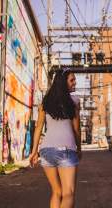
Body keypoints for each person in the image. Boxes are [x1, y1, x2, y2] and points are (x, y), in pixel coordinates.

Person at [29, 68, 81, 208]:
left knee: (56, 192)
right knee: (68, 193)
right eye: (72, 80)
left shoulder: (46, 102)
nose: (75, 82)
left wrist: (34, 151)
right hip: (65, 150)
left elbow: (38, 127)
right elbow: (76, 129)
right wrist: (79, 148)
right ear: (63, 83)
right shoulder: (74, 101)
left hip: (46, 151)